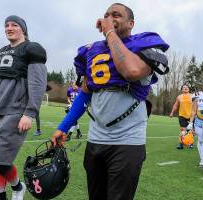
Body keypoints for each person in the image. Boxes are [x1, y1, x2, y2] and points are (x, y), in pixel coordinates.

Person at [52, 3, 169, 200]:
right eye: (106, 15)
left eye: (116, 15)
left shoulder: (144, 45)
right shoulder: (94, 52)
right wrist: (63, 127)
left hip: (128, 141)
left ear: (131, 23)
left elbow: (131, 71)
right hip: (96, 139)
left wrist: (109, 33)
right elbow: (85, 94)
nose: (109, 17)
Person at [0, 15, 47, 200]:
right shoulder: (0, 53)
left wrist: (29, 113)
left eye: (14, 25)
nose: (9, 28)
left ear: (23, 29)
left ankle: (18, 187)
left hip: (15, 111)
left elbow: (37, 83)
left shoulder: (31, 49)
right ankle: (9, 191)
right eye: (6, 25)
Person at [170, 84, 193, 149]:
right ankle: (181, 144)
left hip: (191, 116)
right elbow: (176, 105)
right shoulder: (179, 97)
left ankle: (190, 142)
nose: (185, 88)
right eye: (184, 87)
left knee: (190, 131)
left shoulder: (192, 96)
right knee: (183, 130)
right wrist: (172, 112)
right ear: (182, 90)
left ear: (189, 89)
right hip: (182, 115)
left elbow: (196, 105)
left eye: (187, 87)